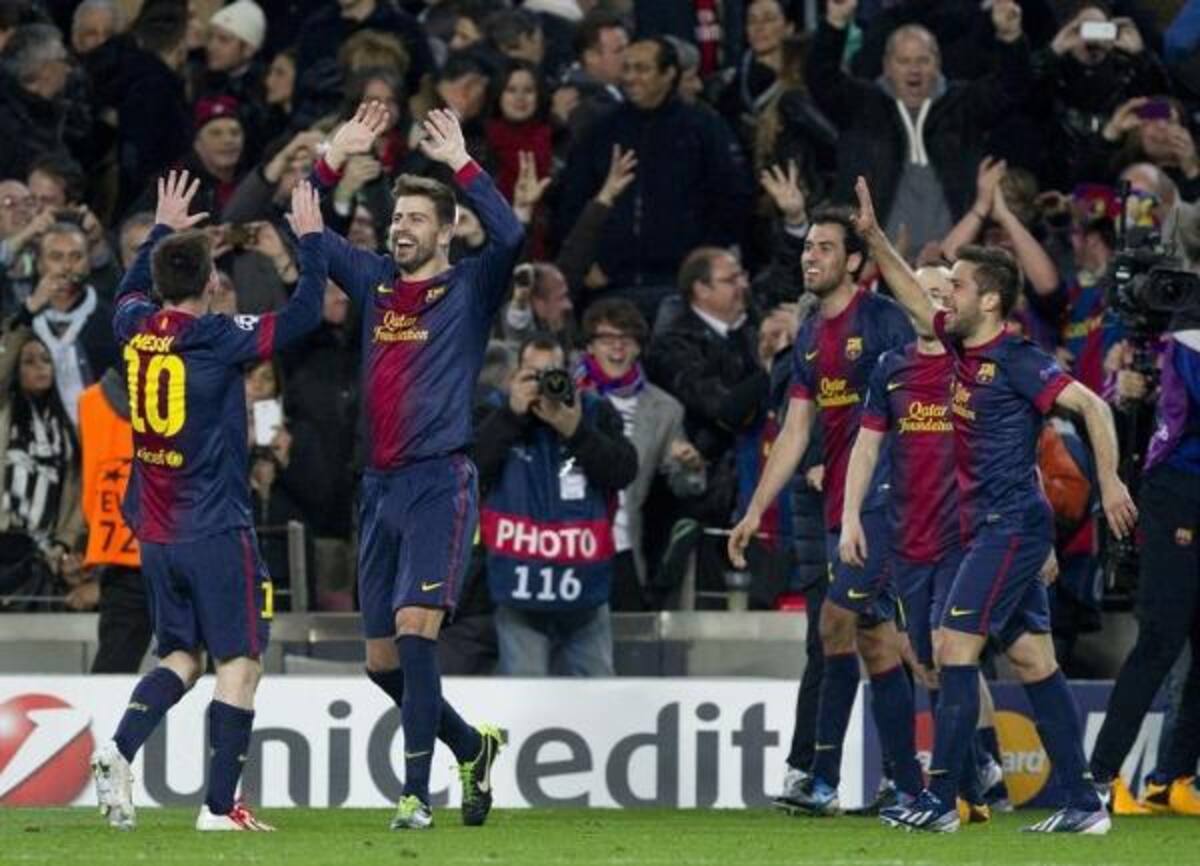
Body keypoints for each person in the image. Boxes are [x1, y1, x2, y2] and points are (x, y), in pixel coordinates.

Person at [850, 176, 1137, 834]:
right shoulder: (958, 343)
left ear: (990, 299)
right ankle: (1085, 804)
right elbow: (914, 303)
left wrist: (1112, 481)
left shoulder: (1015, 359)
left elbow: (1092, 404)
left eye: (955, 287)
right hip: (980, 529)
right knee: (1035, 659)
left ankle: (941, 799)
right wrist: (872, 240)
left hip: (1008, 526)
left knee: (954, 647)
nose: (943, 295)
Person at [88, 170, 328, 831]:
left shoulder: (135, 326)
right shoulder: (217, 338)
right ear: (212, 285)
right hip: (217, 525)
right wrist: (312, 243)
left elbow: (129, 287)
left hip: (158, 530)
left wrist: (163, 229)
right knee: (242, 660)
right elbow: (306, 314)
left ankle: (118, 749)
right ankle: (219, 807)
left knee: (181, 657)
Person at [308, 102, 523, 830]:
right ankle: (472, 747)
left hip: (439, 479)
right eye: (396, 216)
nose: (400, 227)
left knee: (414, 629)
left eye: (416, 219)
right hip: (377, 487)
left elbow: (513, 231)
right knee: (379, 661)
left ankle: (414, 794)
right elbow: (301, 226)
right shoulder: (370, 280)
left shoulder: (469, 286)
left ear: (448, 229)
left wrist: (463, 160)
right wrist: (331, 156)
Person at [728, 207, 919, 816]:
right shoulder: (811, 333)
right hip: (841, 506)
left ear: (856, 262)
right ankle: (909, 785)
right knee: (876, 642)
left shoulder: (886, 322)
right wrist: (756, 508)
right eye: (808, 248)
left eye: (826, 248)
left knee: (837, 625)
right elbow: (795, 429)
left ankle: (823, 779)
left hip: (889, 505)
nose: (811, 257)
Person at [476, 333, 638, 674]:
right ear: (515, 376)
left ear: (570, 373)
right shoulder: (493, 410)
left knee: (596, 693)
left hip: (585, 586)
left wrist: (575, 430)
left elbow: (623, 471)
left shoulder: (594, 411)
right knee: (526, 693)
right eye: (534, 374)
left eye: (554, 372)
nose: (546, 382)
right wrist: (510, 416)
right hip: (519, 586)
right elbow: (467, 472)